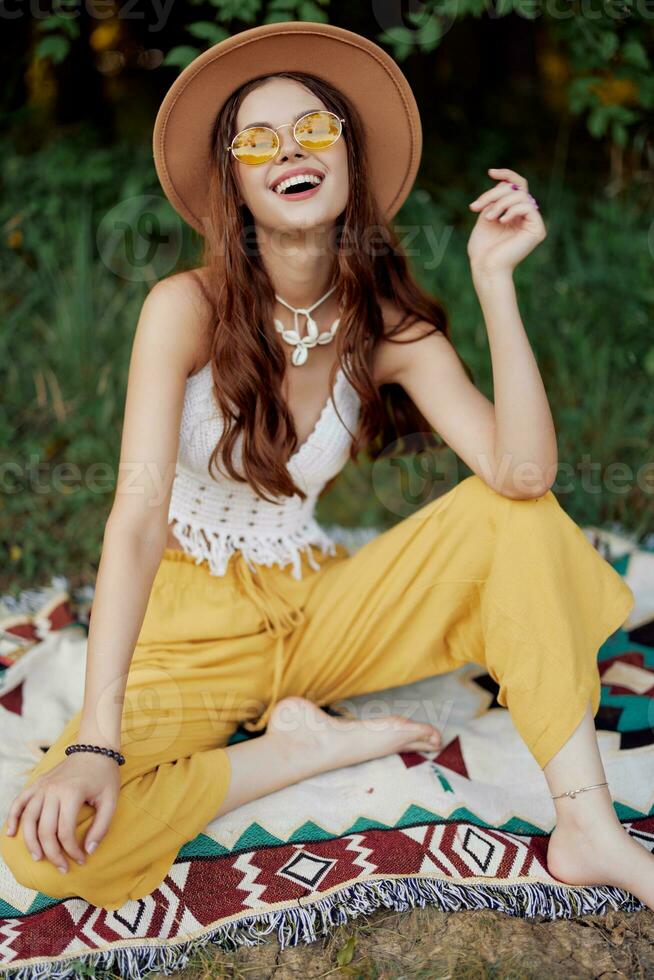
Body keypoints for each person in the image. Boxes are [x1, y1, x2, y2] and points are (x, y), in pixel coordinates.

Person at [2, 21, 651, 914]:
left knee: (518, 519)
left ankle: (588, 827)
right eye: (257, 141)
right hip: (184, 630)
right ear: (232, 180)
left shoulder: (388, 329)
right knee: (49, 846)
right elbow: (138, 518)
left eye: (313, 129)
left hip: (317, 607)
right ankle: (295, 749)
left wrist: (497, 283)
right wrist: (96, 744)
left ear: (348, 156)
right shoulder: (182, 309)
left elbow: (525, 474)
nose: (288, 153)